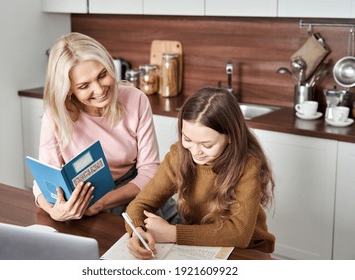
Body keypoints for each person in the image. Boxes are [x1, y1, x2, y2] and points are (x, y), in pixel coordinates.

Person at [125, 86, 276, 259]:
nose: (195, 151)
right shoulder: (179, 155)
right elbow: (139, 204)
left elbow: (239, 233)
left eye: (207, 145)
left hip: (247, 250)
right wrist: (136, 232)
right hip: (199, 247)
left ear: (231, 136)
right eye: (187, 139)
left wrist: (173, 233)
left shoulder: (248, 165)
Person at [32, 32, 164, 222]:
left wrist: (101, 203)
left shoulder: (135, 100)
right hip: (83, 203)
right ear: (69, 91)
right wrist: (54, 211)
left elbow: (150, 171)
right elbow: (44, 179)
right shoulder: (55, 116)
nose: (100, 90)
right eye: (84, 86)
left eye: (102, 75)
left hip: (133, 195)